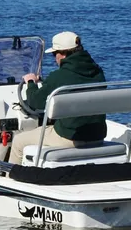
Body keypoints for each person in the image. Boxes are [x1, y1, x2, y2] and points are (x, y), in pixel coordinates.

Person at [8, 31, 107, 165]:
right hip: (97, 135)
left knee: (19, 141)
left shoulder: (59, 76)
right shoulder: (98, 72)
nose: (55, 58)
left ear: (63, 54)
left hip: (70, 137)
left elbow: (35, 102)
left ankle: (10, 178)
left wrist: (31, 83)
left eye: (55, 54)